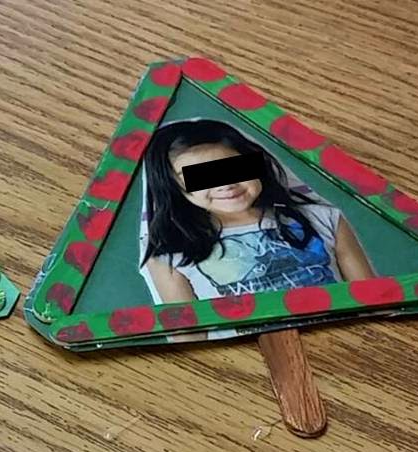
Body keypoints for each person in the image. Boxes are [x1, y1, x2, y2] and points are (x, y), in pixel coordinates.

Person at [139, 119, 374, 340]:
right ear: (171, 186)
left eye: (233, 168)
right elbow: (189, 338)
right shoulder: (167, 252)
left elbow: (371, 303)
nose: (225, 185)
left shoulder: (323, 218)